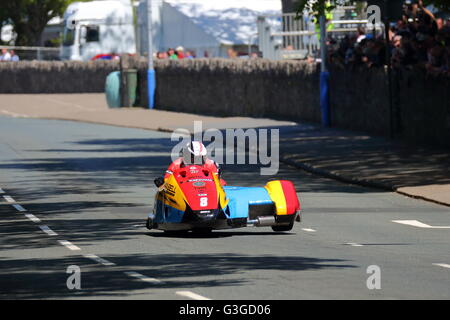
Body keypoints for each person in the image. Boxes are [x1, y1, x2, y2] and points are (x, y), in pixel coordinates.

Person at [154, 141, 221, 187]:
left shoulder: (210, 164)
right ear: (187, 156)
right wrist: (162, 180)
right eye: (193, 158)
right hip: (184, 191)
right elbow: (167, 180)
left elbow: (217, 182)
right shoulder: (177, 164)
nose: (196, 160)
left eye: (200, 157)